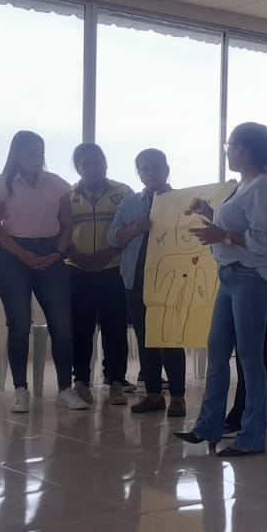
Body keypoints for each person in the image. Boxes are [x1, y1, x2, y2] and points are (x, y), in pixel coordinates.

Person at [177, 122, 267, 457]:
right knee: (217, 351)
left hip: (252, 279)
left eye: (230, 145)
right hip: (231, 277)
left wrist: (223, 236)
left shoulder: (266, 185)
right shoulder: (244, 184)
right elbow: (238, 224)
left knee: (250, 359)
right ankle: (208, 426)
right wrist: (210, 214)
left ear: (244, 149)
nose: (227, 151)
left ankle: (252, 437)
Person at [0, 130, 84, 414]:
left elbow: (67, 224)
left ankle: (65, 389)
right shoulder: (1, 184)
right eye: (31, 152)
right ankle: (20, 390)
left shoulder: (57, 184)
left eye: (41, 152)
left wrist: (58, 252)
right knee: (19, 325)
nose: (38, 158)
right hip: (13, 256)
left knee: (62, 325)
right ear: (17, 154)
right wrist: (22, 253)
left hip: (52, 253)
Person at [108, 149, 187, 419]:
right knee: (146, 338)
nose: (151, 172)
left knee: (171, 338)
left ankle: (178, 396)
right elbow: (112, 238)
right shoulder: (129, 203)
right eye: (145, 168)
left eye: (156, 167)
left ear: (167, 169)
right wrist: (134, 228)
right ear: (139, 173)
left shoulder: (183, 202)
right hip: (136, 280)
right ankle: (153, 394)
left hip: (171, 281)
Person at [66, 143, 133, 407]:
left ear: (105, 163)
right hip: (77, 270)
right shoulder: (67, 196)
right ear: (78, 167)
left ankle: (115, 381)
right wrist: (77, 256)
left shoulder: (124, 193)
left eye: (97, 162)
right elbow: (60, 230)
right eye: (86, 163)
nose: (93, 167)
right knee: (80, 328)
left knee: (115, 328)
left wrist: (110, 253)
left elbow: (131, 230)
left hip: (113, 269)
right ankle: (81, 381)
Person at [225, 256, 267, 434]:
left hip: (257, 280)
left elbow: (254, 243)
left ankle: (241, 416)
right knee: (266, 347)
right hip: (263, 278)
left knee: (248, 350)